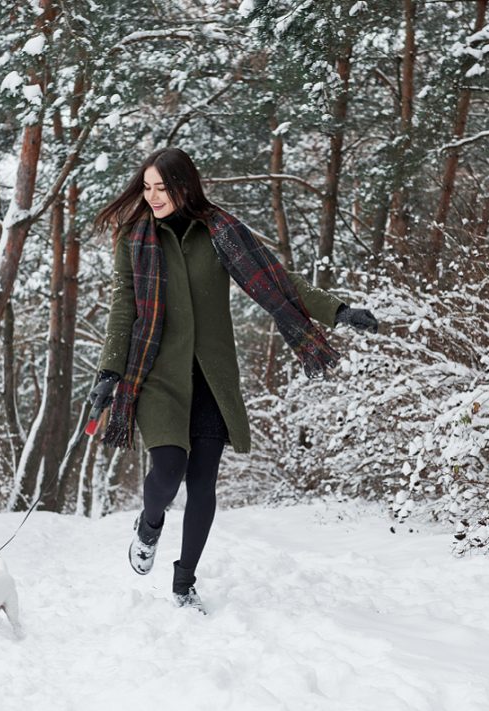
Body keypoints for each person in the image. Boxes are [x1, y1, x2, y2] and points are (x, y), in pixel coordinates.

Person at [88, 147, 377, 613]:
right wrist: (109, 373)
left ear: (185, 186)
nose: (153, 196)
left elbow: (277, 279)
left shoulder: (220, 231)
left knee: (202, 483)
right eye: (146, 187)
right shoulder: (134, 239)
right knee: (167, 472)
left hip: (212, 377)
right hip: (157, 373)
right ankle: (148, 524)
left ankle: (184, 585)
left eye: (162, 187)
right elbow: (124, 310)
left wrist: (338, 311)